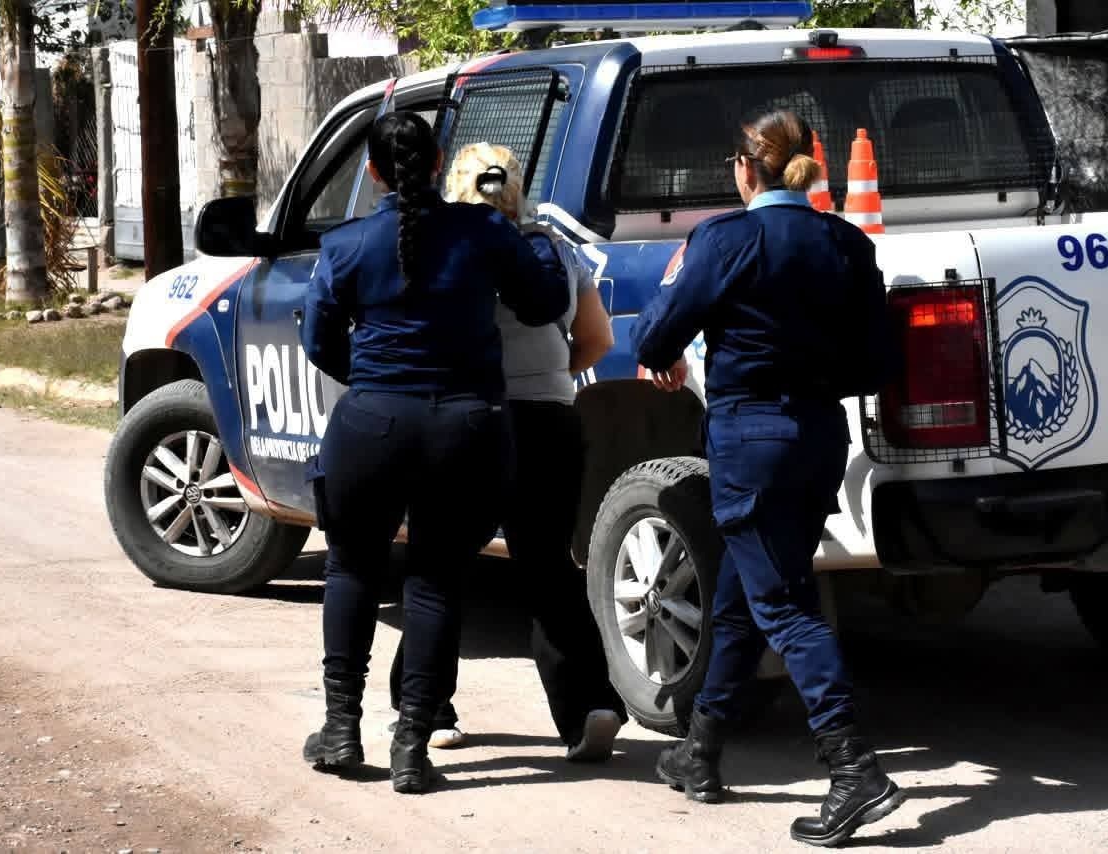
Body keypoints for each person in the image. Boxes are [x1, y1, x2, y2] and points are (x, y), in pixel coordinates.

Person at [630, 109, 904, 847]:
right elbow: (878, 363)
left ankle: (853, 769)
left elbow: (654, 335)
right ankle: (702, 748)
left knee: (780, 600)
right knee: (743, 595)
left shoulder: (727, 239)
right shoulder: (844, 242)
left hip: (751, 439)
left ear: (745, 170)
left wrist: (673, 354)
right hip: (818, 435)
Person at [299, 111, 569, 794]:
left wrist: (371, 383)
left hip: (372, 423)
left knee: (352, 569)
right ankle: (412, 746)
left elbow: (319, 342)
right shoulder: (485, 233)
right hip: (466, 426)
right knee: (437, 578)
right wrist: (535, 237)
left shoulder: (346, 244)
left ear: (372, 171)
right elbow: (543, 305)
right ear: (440, 158)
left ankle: (340, 726)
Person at [388, 141, 627, 761]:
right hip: (550, 419)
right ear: (517, 186)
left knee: (439, 565)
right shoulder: (553, 246)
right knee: (548, 564)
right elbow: (597, 338)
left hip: (466, 417)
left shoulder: (438, 243)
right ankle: (588, 708)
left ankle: (427, 708)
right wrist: (547, 382)